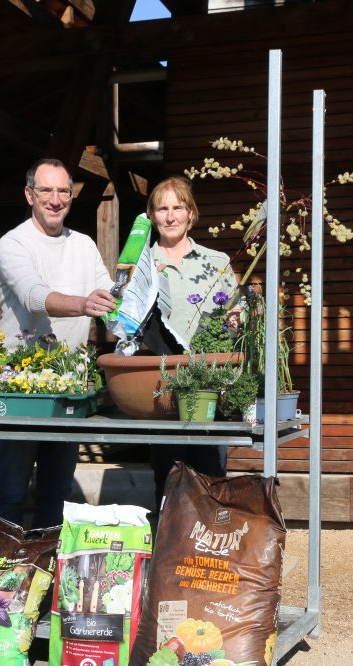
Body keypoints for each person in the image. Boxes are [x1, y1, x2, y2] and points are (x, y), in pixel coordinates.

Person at [0, 158, 116, 529]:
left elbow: (108, 294)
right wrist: (83, 304)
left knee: (56, 490)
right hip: (22, 387)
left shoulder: (83, 244)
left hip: (69, 386)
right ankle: (2, 578)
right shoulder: (13, 243)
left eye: (64, 191)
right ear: (30, 194)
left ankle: (43, 574)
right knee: (12, 489)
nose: (56, 199)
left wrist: (132, 296)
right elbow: (33, 295)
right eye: (46, 190)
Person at [146, 176, 239, 513]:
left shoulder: (216, 262)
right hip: (163, 384)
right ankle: (170, 553)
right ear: (153, 216)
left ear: (190, 213)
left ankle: (207, 554)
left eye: (178, 208)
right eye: (162, 209)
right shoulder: (139, 264)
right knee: (168, 477)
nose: (170, 216)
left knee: (210, 474)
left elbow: (236, 310)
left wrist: (237, 317)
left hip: (209, 383)